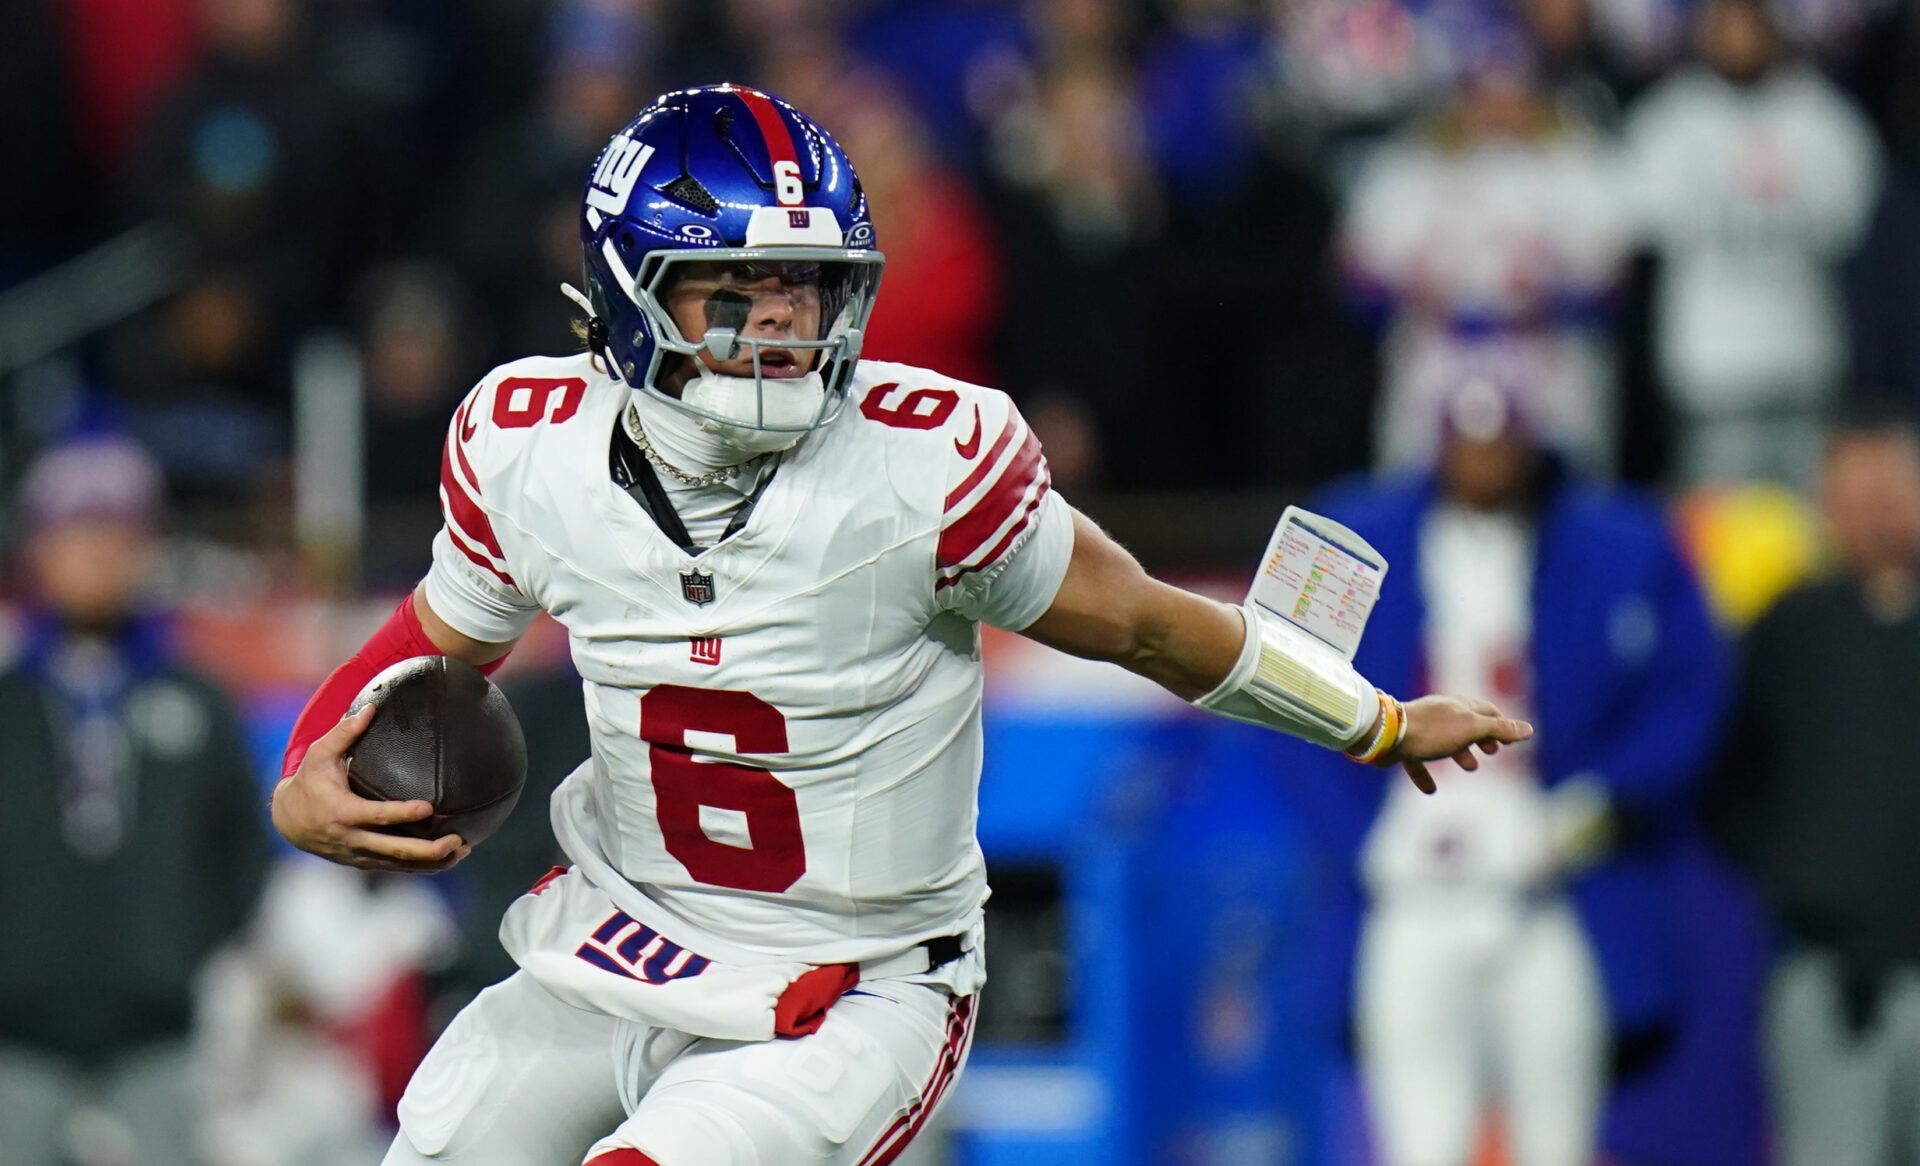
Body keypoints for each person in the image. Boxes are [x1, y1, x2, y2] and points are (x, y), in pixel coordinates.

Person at [268, 83, 1529, 1166]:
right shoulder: (531, 443)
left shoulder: (927, 468)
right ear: (625, 295)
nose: (780, 323)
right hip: (619, 939)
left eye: (806, 288)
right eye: (732, 288)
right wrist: (302, 772)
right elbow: (436, 639)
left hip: (847, 989)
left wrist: (1373, 719)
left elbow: (1144, 623)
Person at [1277, 376, 1725, 1166]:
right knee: (1421, 1144)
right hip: (1408, 893)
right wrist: (1359, 837)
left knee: (1557, 1143)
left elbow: (1689, 694)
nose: (1485, 464)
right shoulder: (1362, 529)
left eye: (1501, 444)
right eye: (1468, 443)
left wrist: (1594, 810)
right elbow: (1277, 688)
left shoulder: (1611, 541)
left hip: (1546, 890)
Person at [0, 436, 269, 1166]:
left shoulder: (196, 697)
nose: (96, 556)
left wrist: (174, 949)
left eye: (117, 536)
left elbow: (242, 850)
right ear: (38, 550)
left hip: (159, 1032)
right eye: (76, 535)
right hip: (12, 1033)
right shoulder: (8, 698)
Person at [1707, 406, 1920, 1166]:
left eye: (1892, 492)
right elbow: (1725, 783)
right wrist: (1797, 873)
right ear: (1824, 507)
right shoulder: (1786, 631)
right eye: (1854, 496)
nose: (1875, 514)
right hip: (1829, 977)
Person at [1622, 0, 1882, 488]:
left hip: (1803, 356)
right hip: (1709, 365)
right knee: (1719, 525)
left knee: (1811, 520)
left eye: (1750, 22)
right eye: (1725, 23)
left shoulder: (1824, 118)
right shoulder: (1666, 122)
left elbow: (1853, 226)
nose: (1738, 37)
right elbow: (1642, 230)